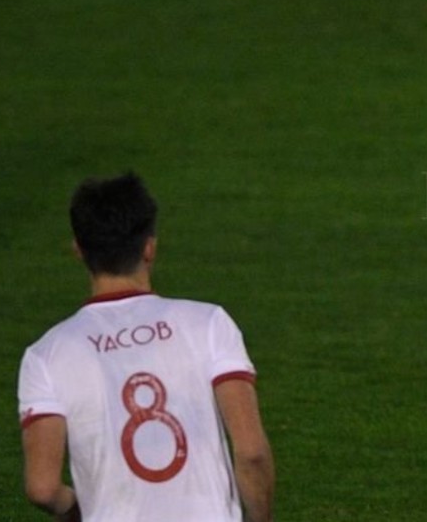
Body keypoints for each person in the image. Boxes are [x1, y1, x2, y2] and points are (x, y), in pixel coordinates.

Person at [17, 173, 274, 522]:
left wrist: (81, 510)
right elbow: (252, 452)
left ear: (78, 249)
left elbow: (42, 488)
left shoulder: (46, 355)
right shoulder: (208, 323)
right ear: (149, 247)